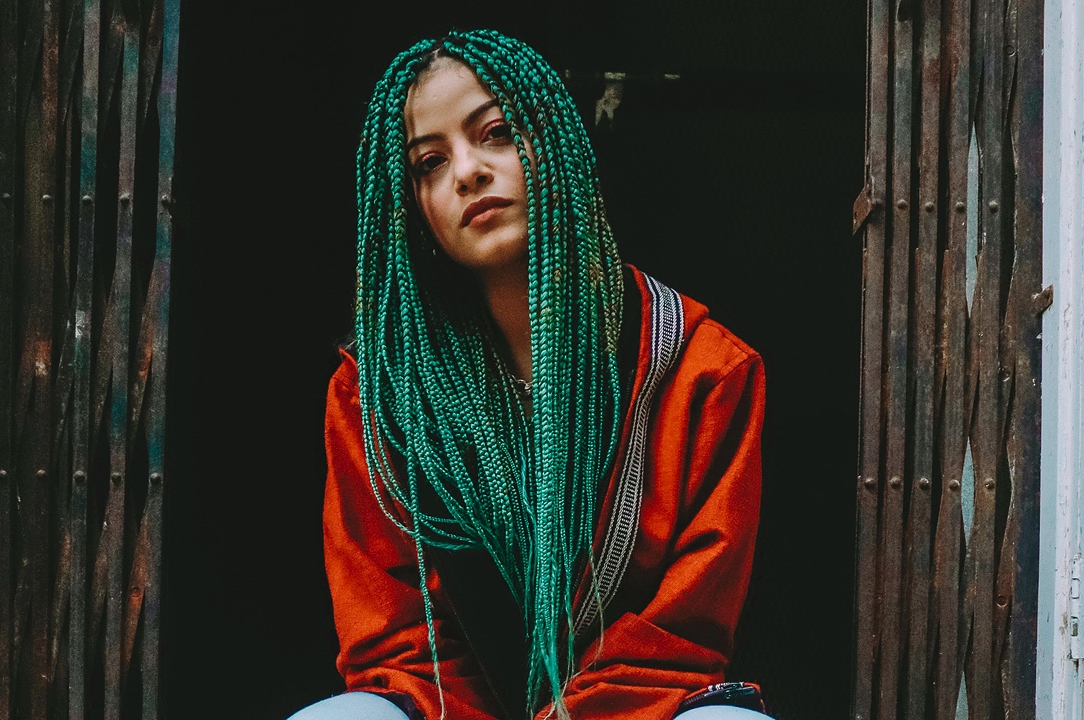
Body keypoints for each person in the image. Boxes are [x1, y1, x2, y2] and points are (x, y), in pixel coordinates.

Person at [290, 29, 768, 720]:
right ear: (412, 209)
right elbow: (392, 640)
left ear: (556, 140)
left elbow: (681, 635)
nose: (467, 172)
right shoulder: (373, 394)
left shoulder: (705, 372)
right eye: (429, 162)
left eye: (495, 133)